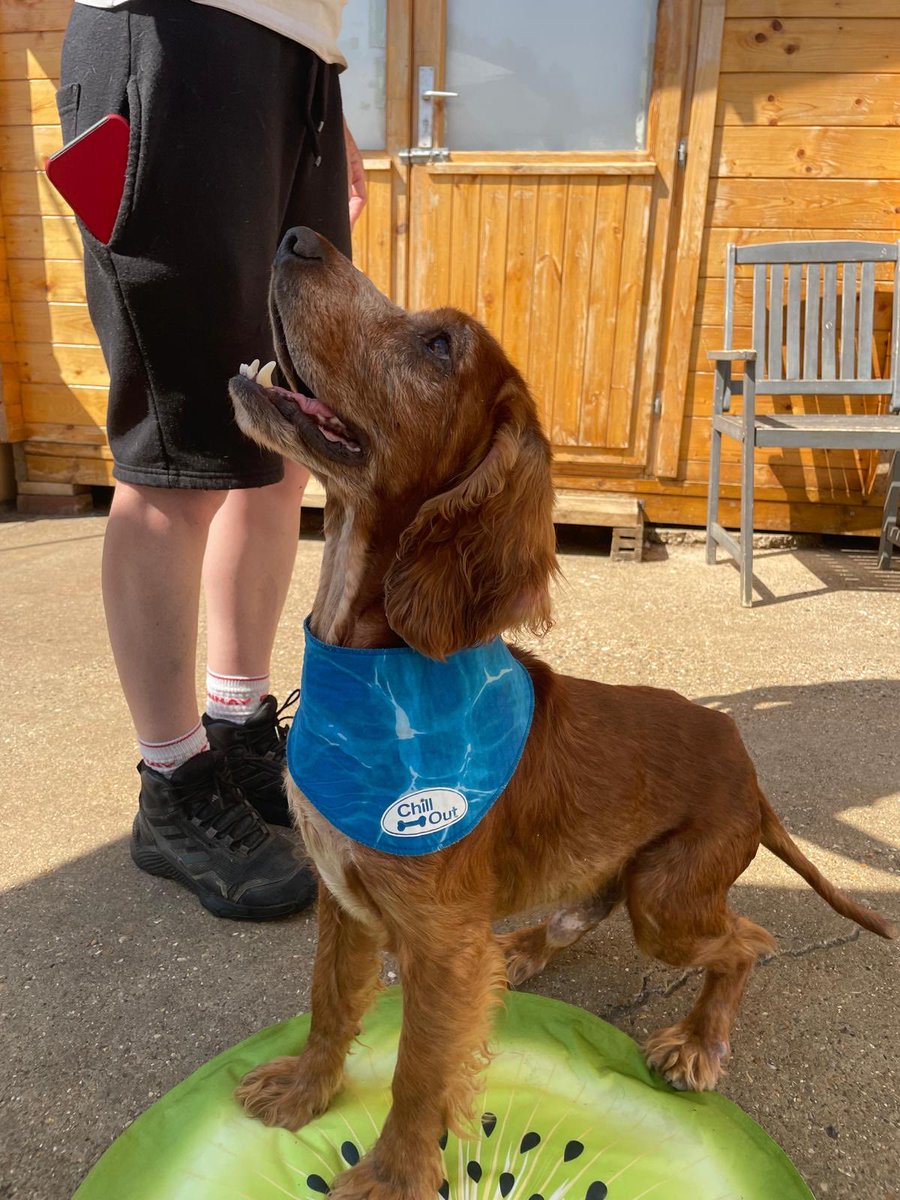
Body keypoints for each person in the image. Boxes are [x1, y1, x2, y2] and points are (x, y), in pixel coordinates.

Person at [58, 0, 365, 919]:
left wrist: (329, 99)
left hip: (304, 66)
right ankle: (171, 779)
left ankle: (235, 725)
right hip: (174, 39)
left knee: (282, 446)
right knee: (174, 454)